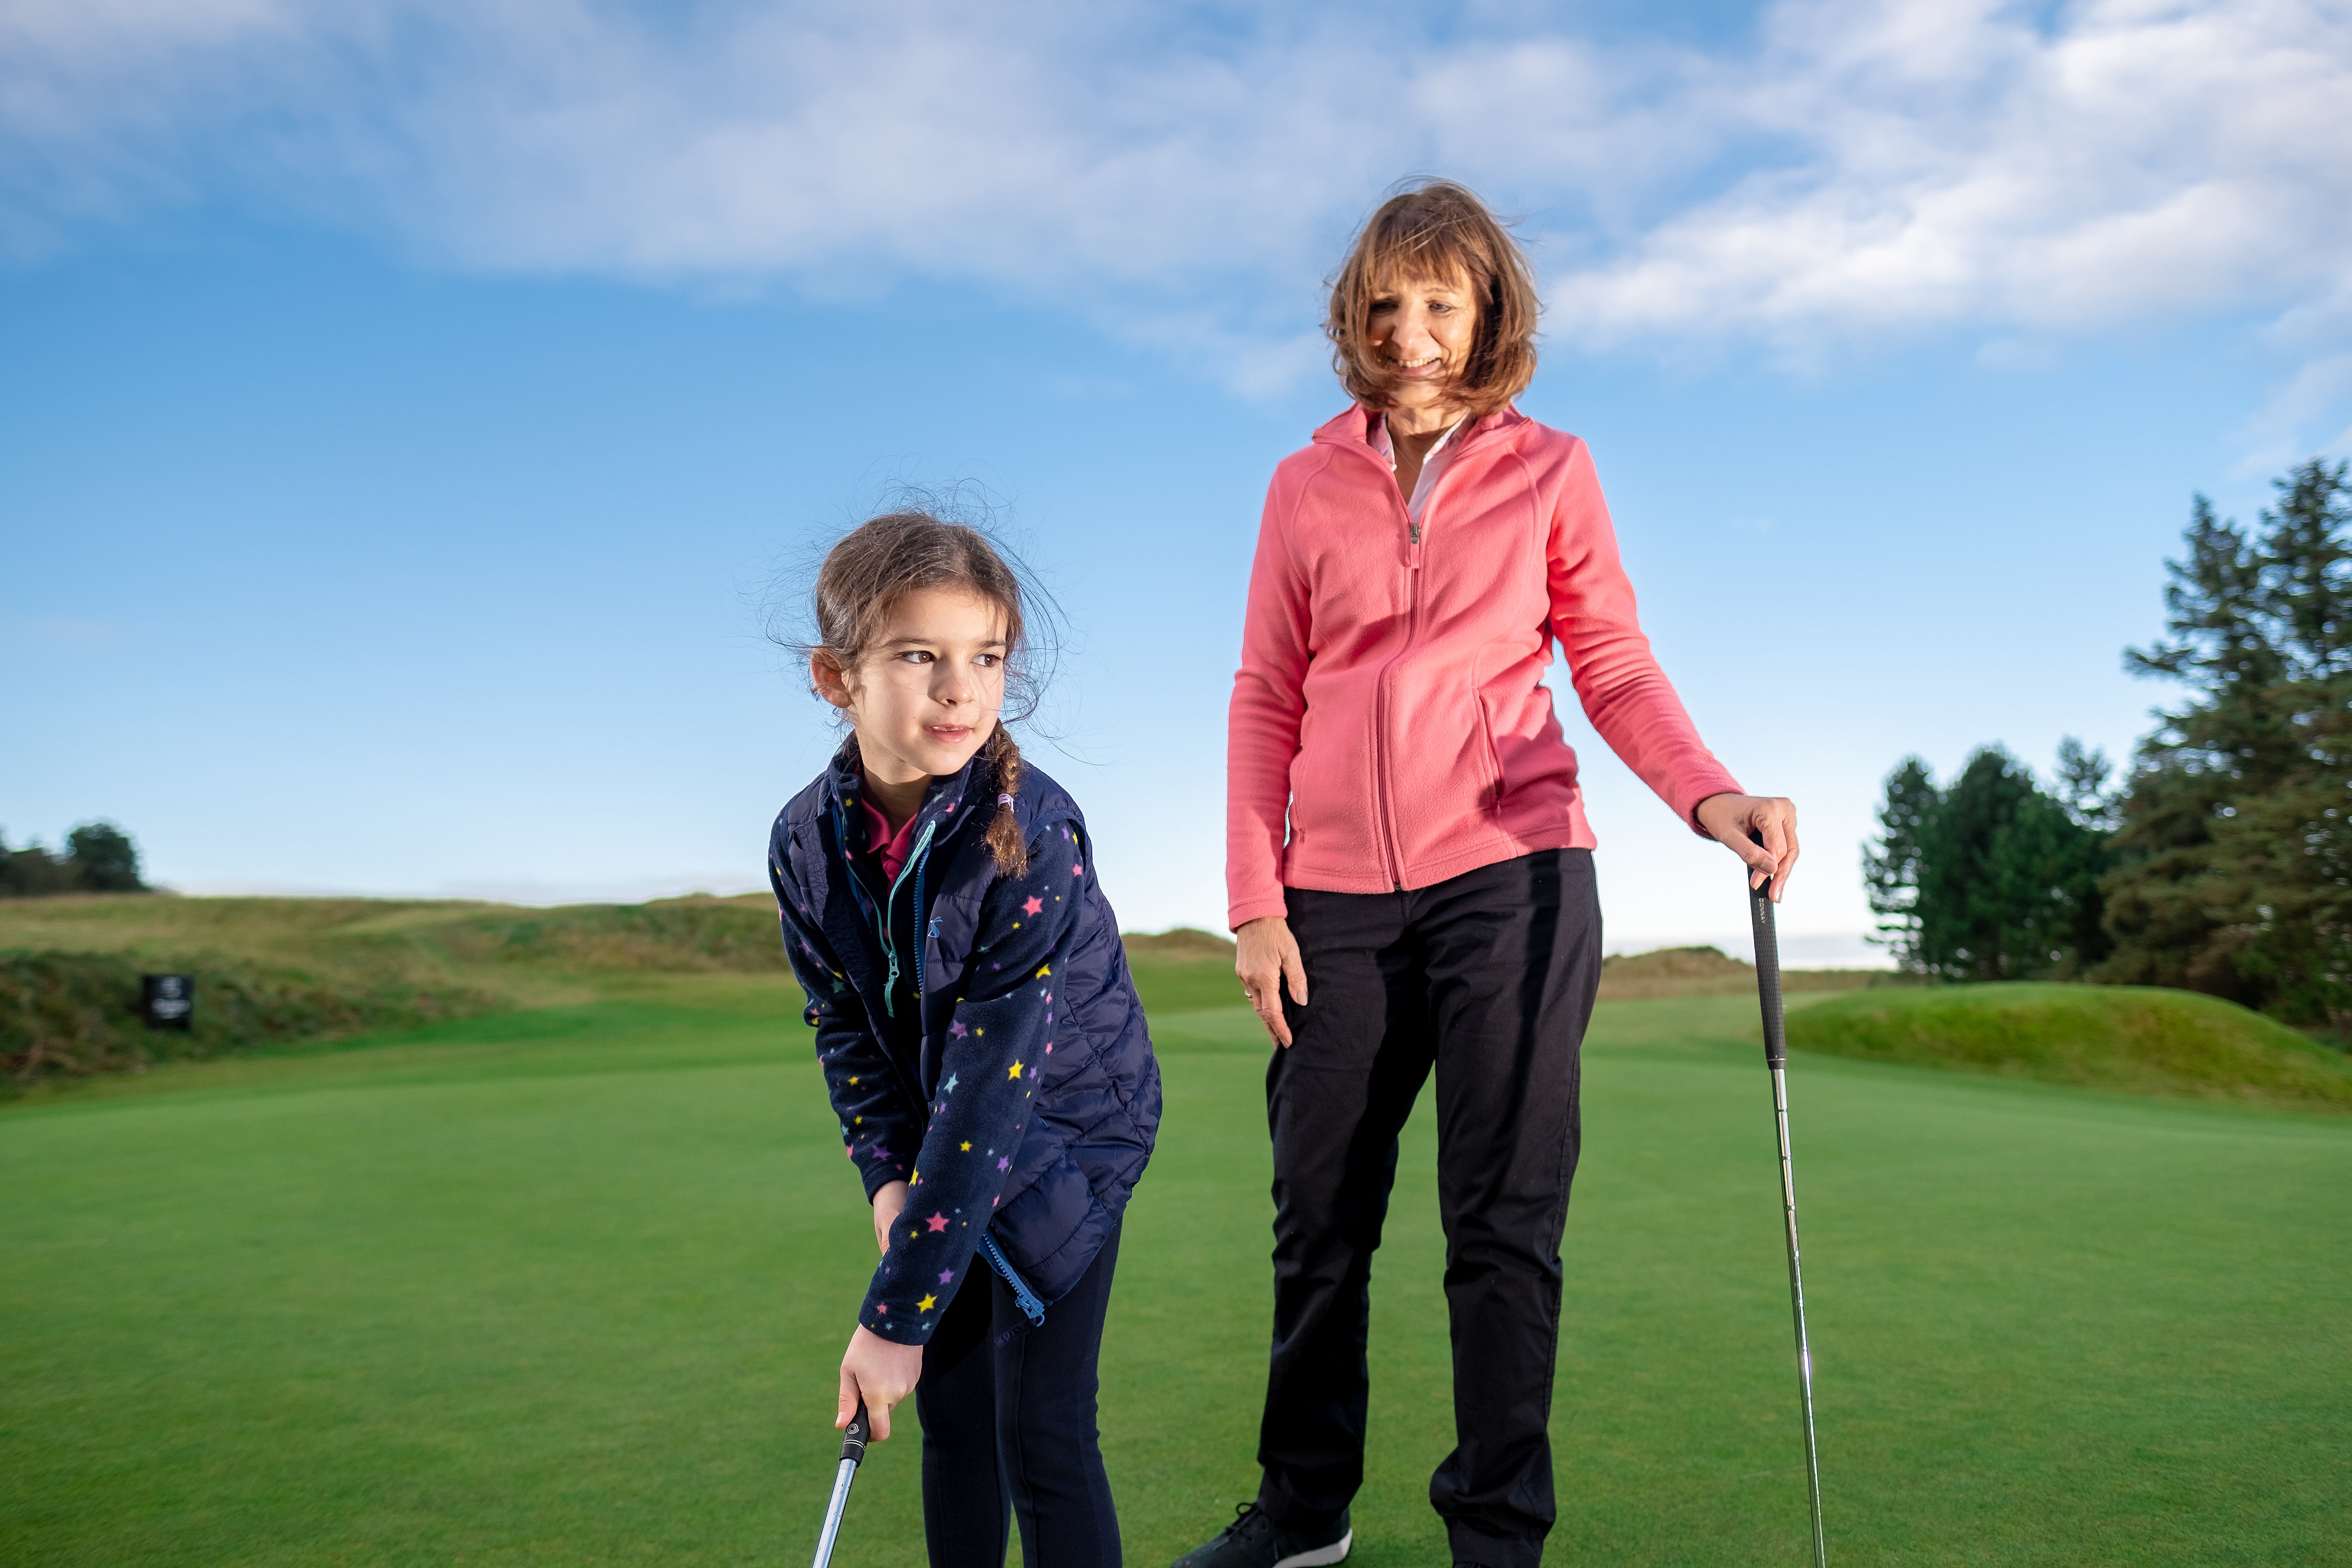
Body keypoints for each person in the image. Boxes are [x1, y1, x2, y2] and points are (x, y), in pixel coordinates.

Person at [1173, 181, 1801, 1568]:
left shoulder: (1551, 469)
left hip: (1515, 879)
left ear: (1486, 311)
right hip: (1330, 899)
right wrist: (1254, 902)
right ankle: (1303, 1509)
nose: (1411, 333)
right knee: (1318, 1219)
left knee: (1503, 1225)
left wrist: (1708, 791)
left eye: (1440, 304)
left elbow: (1615, 665)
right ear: (1356, 314)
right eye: (1387, 305)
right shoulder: (1302, 483)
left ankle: (1498, 1532)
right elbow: (1265, 694)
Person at [771, 511, 1161, 1568]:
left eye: (985, 657)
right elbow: (846, 1025)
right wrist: (887, 1181)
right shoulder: (805, 839)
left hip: (1065, 1140)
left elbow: (995, 1094)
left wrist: (896, 1315)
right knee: (956, 1425)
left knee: (1041, 1430)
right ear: (834, 676)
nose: (960, 688)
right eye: (918, 655)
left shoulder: (1032, 829)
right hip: (948, 1149)